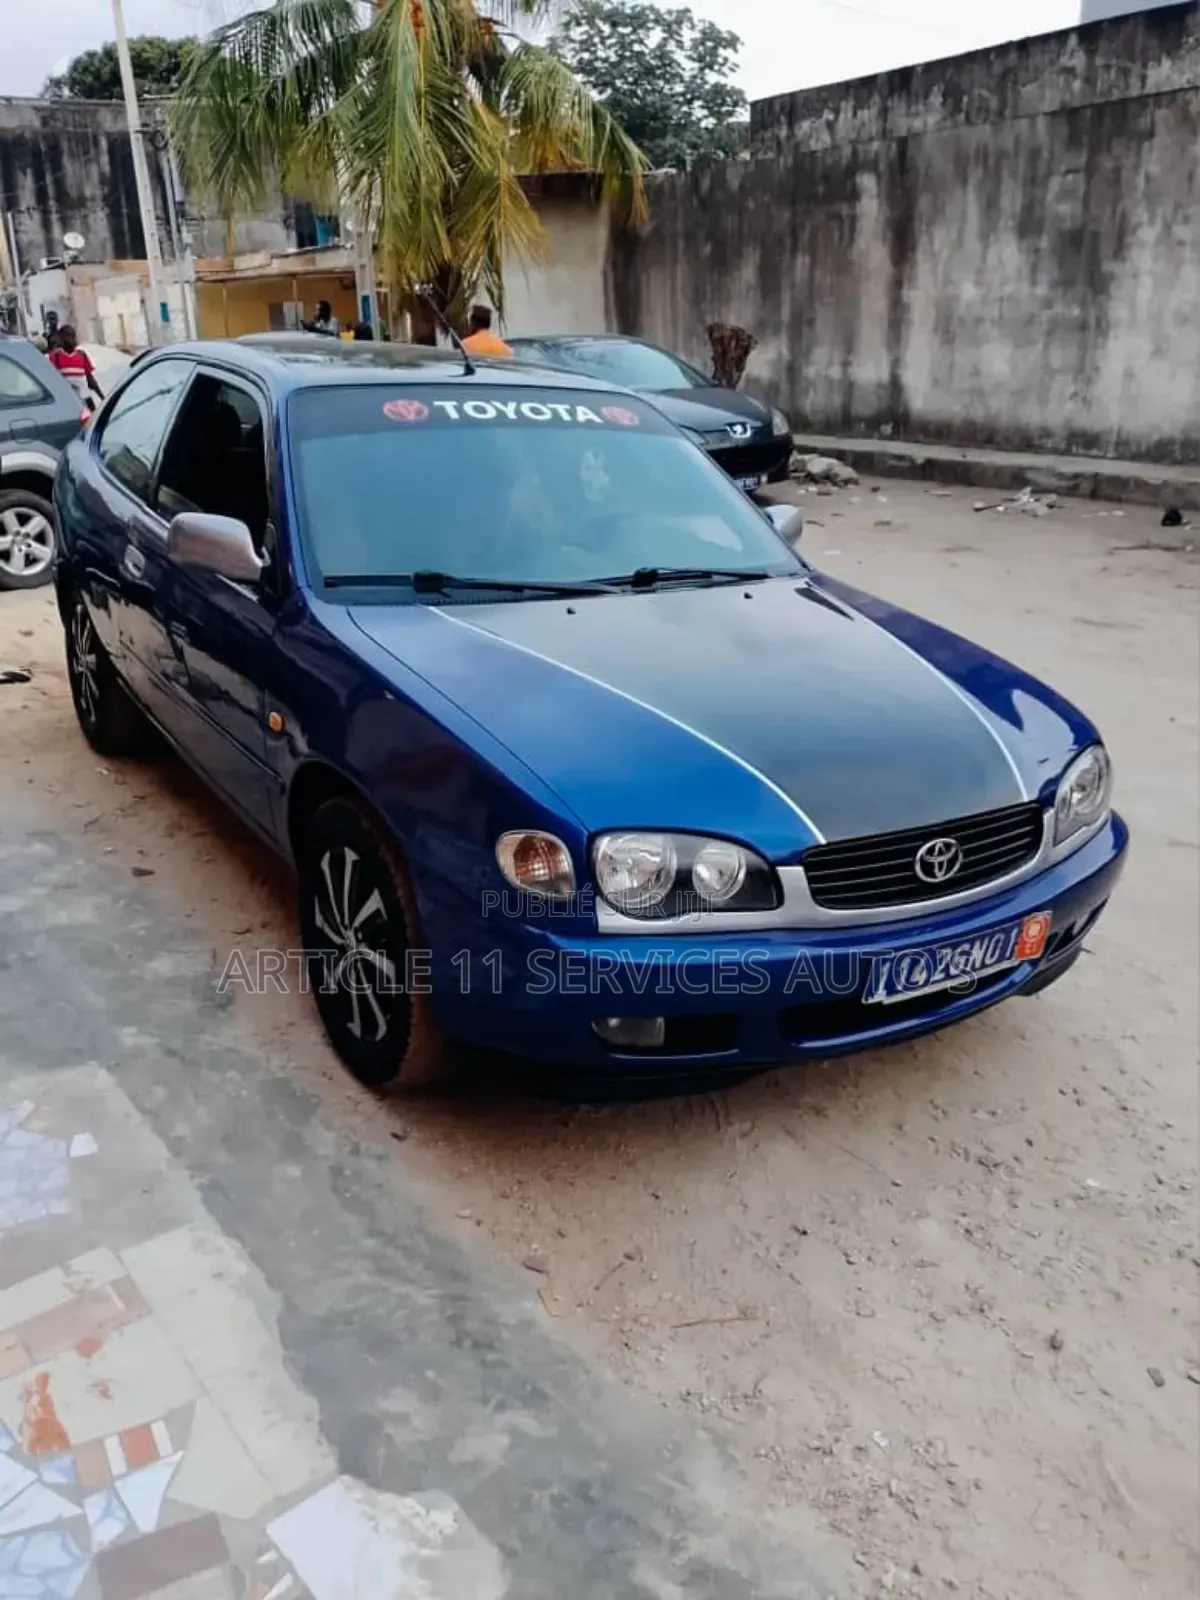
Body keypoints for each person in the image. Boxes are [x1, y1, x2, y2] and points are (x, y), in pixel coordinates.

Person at [47, 325, 103, 401]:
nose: (69, 339)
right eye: (66, 336)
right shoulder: (56, 356)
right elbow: (50, 379)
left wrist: (102, 397)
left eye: (71, 336)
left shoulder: (82, 355)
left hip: (84, 398)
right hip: (67, 400)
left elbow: (90, 379)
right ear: (60, 339)